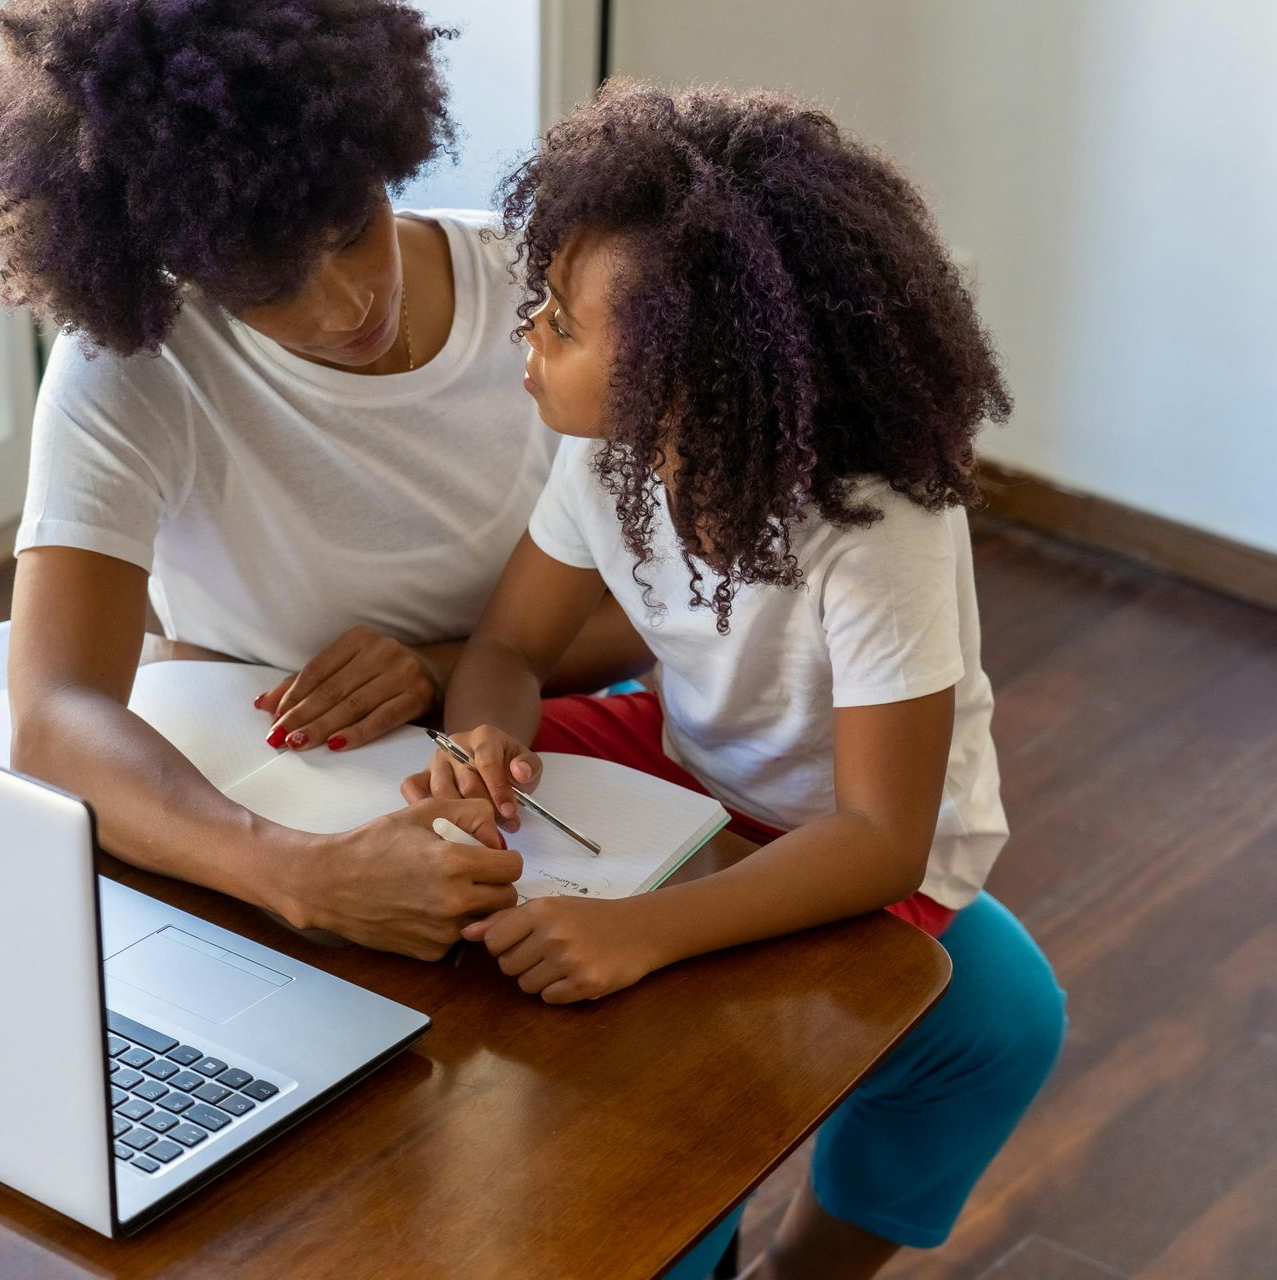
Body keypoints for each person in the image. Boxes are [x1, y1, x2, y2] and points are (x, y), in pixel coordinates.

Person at [401, 82, 1067, 1277]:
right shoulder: (606, 454)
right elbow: (507, 652)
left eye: (558, 319)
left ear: (682, 370)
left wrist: (645, 931)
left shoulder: (878, 522)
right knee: (414, 794)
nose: (527, 339)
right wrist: (478, 746)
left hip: (853, 842)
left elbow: (878, 836)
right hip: (689, 753)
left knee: (694, 1077)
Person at [0, 0, 654, 959]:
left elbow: (664, 617)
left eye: (352, 230)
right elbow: (56, 715)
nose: (343, 307)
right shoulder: (135, 369)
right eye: (267, 285)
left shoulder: (547, 307)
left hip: (530, 772)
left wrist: (434, 672)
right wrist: (293, 875)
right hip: (252, 811)